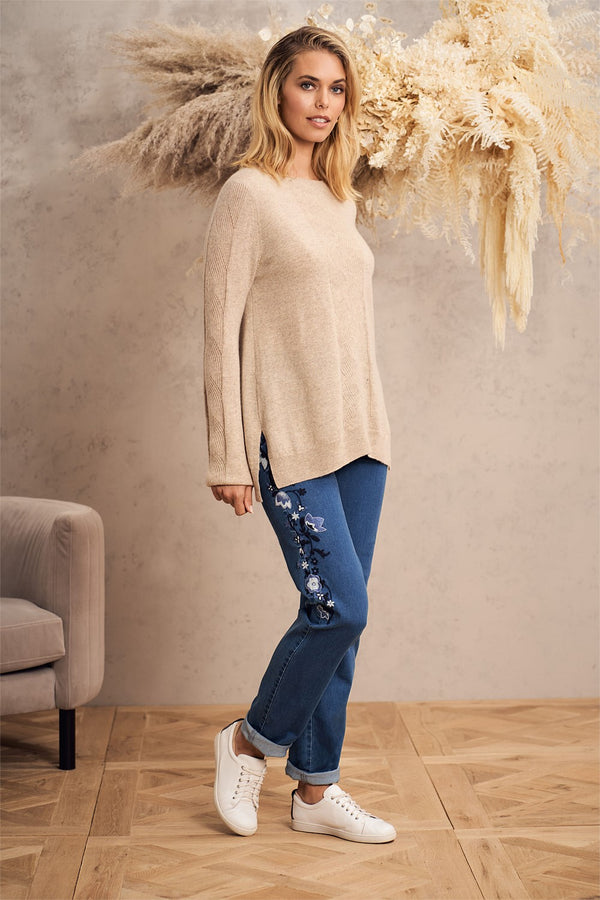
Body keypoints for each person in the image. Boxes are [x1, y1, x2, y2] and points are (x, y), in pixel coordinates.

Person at [203, 25, 395, 844]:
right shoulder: (247, 195)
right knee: (337, 608)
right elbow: (220, 333)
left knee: (344, 622)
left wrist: (377, 427)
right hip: (290, 437)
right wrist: (229, 454)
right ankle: (248, 742)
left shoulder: (339, 194)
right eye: (309, 84)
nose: (324, 102)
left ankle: (315, 793)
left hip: (362, 437)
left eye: (337, 88)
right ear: (277, 88)